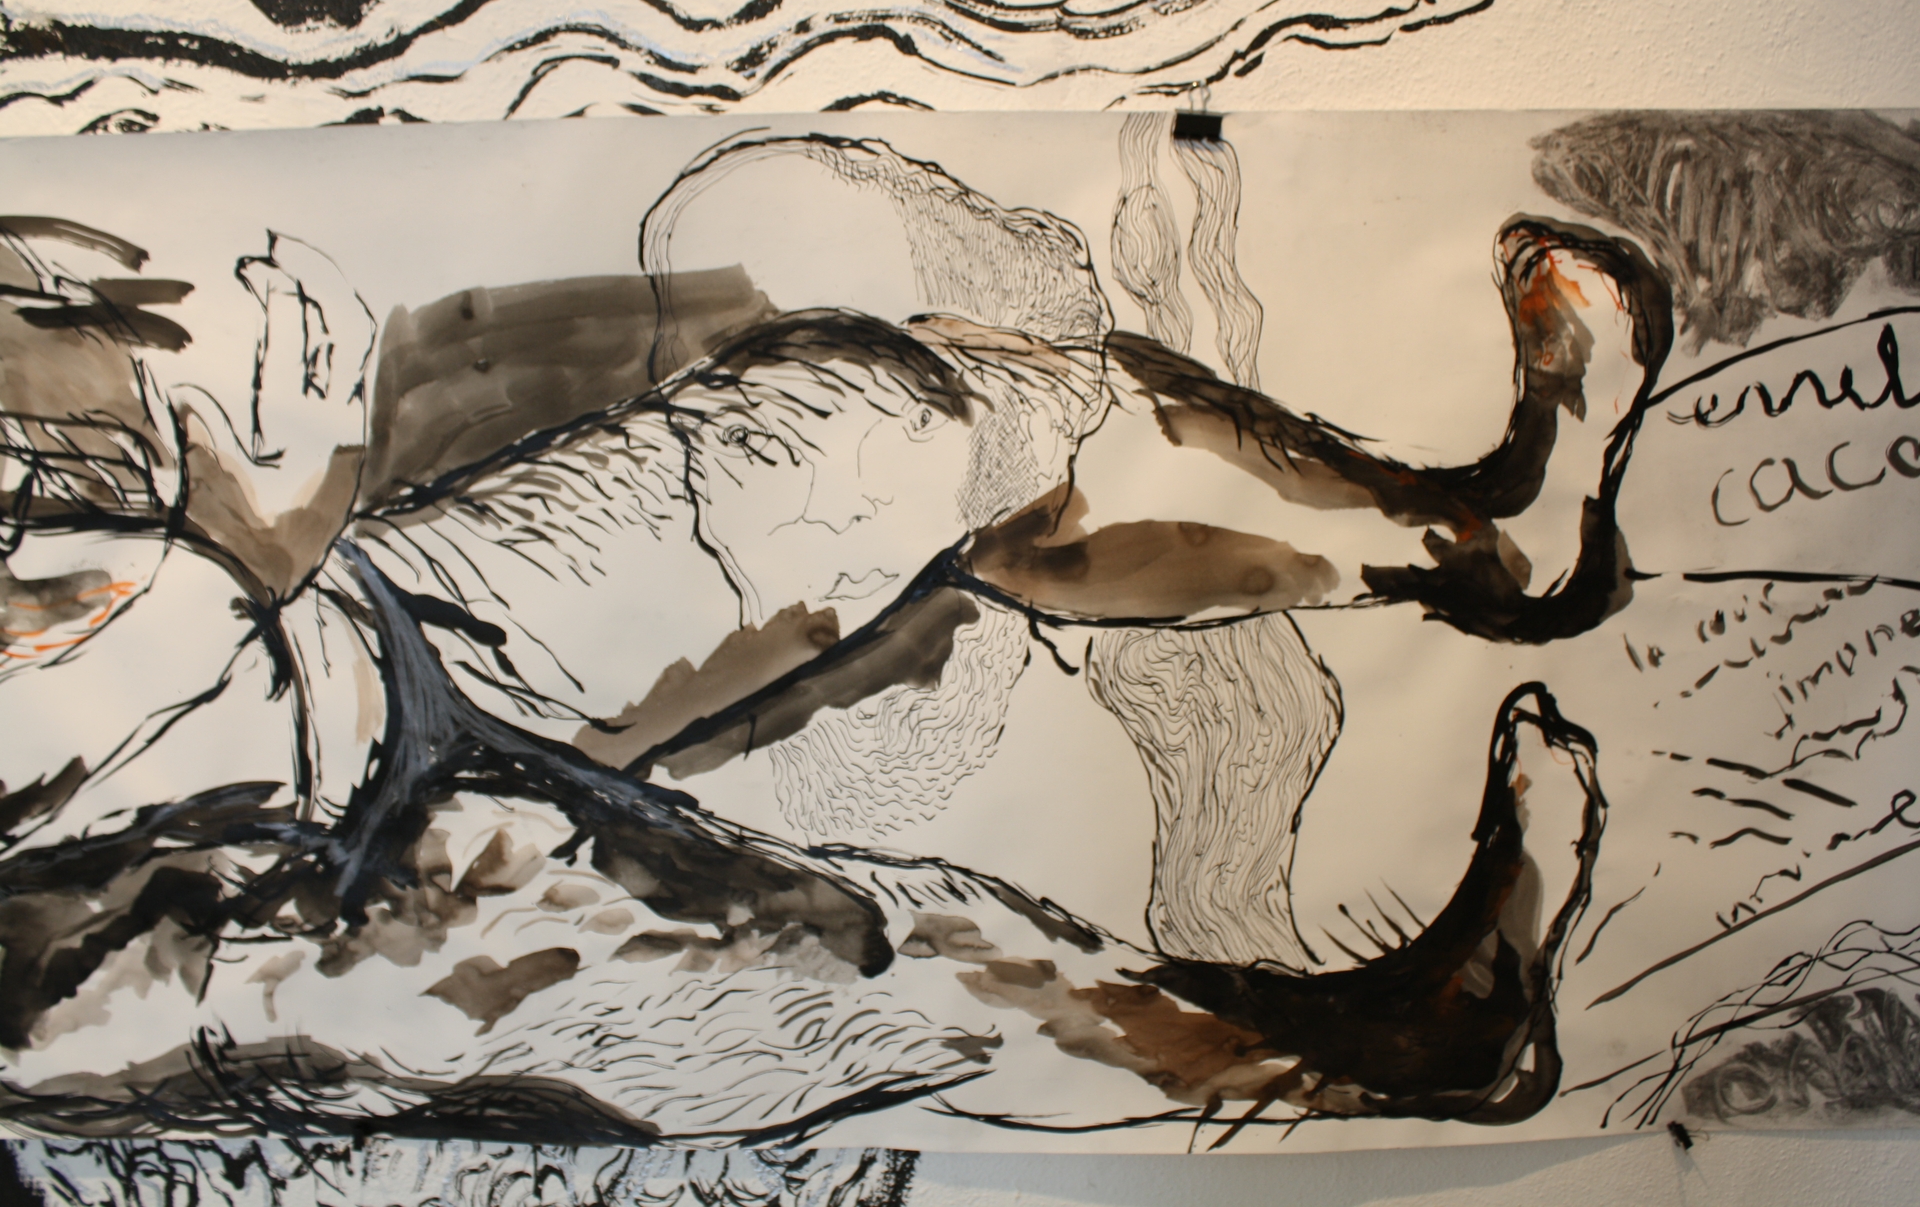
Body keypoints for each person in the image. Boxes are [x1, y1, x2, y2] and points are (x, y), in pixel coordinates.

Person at [0, 132, 1665, 1144]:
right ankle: (1423, 1048)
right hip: (233, 944)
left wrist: (200, 482)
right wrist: (242, 512)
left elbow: (153, 503)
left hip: (370, 640)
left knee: (918, 417)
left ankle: (1476, 536)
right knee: (920, 979)